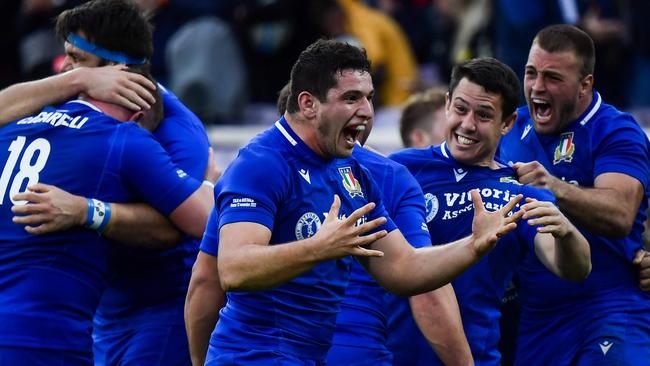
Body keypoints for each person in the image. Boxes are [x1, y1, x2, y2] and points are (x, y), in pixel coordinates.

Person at [202, 39, 524, 365]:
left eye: (369, 98)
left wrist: (473, 245)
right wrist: (318, 248)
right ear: (308, 103)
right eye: (351, 98)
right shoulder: (262, 163)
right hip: (252, 357)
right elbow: (233, 268)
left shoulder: (352, 173)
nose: (367, 111)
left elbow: (404, 268)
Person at [0, 1, 216, 364]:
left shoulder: (173, 129)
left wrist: (87, 211)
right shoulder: (64, 111)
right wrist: (80, 78)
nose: (62, 70)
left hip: (157, 304)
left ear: (118, 68)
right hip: (83, 314)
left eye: (76, 59)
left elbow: (180, 229)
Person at [390, 57, 591, 365]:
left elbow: (574, 268)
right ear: (446, 104)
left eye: (483, 115)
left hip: (475, 357)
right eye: (460, 109)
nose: (467, 124)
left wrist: (566, 234)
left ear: (507, 123)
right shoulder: (400, 168)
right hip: (390, 358)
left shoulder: (521, 193)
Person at [498, 24, 650, 365]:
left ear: (585, 85)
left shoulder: (616, 130)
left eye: (553, 77)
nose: (537, 87)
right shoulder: (509, 128)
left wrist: (554, 186)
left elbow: (621, 213)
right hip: (535, 318)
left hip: (608, 308)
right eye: (531, 73)